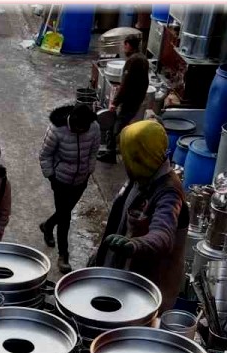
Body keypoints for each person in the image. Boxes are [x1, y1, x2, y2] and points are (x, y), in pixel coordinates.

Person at [89, 121, 189, 312]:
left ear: (140, 157)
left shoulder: (169, 194)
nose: (124, 163)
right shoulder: (142, 178)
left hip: (145, 294)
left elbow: (163, 235)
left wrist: (135, 244)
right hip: (122, 280)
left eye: (128, 157)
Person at [39, 103, 102, 272]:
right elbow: (45, 155)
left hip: (81, 180)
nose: (81, 131)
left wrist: (89, 170)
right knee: (65, 217)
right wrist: (51, 177)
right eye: (77, 128)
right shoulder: (56, 129)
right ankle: (63, 256)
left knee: (63, 212)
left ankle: (48, 225)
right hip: (60, 179)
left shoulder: (94, 127)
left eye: (84, 129)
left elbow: (94, 151)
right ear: (71, 121)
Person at [98, 53, 149, 164]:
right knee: (120, 126)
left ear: (128, 45)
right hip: (136, 102)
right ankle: (112, 151)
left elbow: (125, 86)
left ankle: (111, 154)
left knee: (115, 128)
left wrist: (115, 103)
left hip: (128, 103)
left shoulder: (133, 61)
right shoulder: (143, 61)